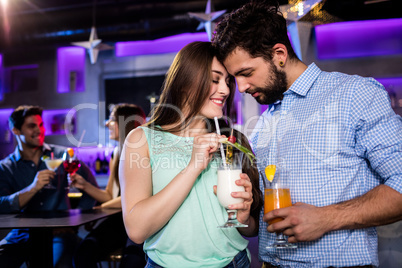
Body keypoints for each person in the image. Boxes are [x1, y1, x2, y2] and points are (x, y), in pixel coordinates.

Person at [212, 0, 402, 267]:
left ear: (279, 54)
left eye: (246, 73)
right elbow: (265, 224)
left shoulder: (355, 95)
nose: (240, 87)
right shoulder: (264, 123)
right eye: (235, 78)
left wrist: (327, 218)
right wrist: (246, 216)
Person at [119, 41, 263, 268]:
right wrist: (194, 165)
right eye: (215, 79)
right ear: (186, 80)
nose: (225, 90)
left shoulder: (233, 143)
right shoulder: (141, 140)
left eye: (227, 81)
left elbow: (253, 228)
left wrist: (244, 219)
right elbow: (136, 230)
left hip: (234, 262)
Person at [0, 105, 98, 268]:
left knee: (59, 264)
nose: (39, 130)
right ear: (16, 130)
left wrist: (74, 222)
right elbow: (1, 204)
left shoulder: (63, 155)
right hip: (20, 235)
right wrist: (33, 188)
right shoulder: (5, 167)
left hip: (59, 234)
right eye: (32, 126)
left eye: (41, 125)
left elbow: (91, 189)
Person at [73, 103, 147, 268]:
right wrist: (83, 185)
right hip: (118, 221)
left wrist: (100, 209)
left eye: (112, 119)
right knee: (83, 253)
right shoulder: (116, 152)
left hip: (138, 219)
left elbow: (136, 196)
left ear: (126, 122)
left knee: (132, 261)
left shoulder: (142, 150)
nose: (107, 124)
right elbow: (110, 195)